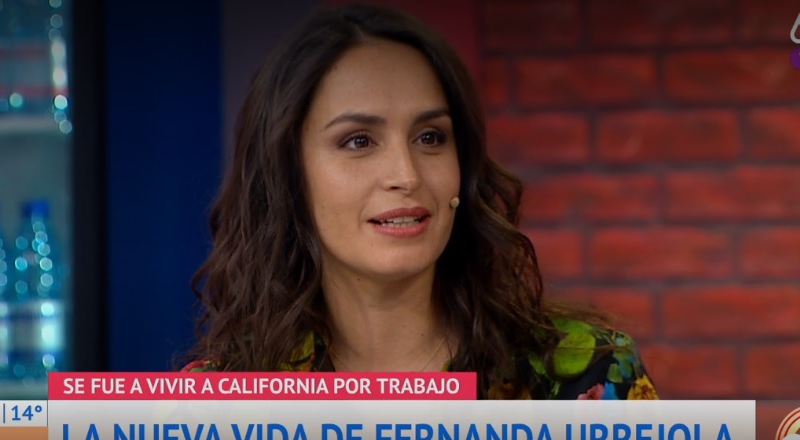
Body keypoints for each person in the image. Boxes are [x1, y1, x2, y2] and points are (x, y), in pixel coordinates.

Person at [181, 3, 658, 401]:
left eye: (430, 137)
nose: (406, 176)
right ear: (288, 173)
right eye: (358, 141)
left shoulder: (586, 375)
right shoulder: (218, 404)